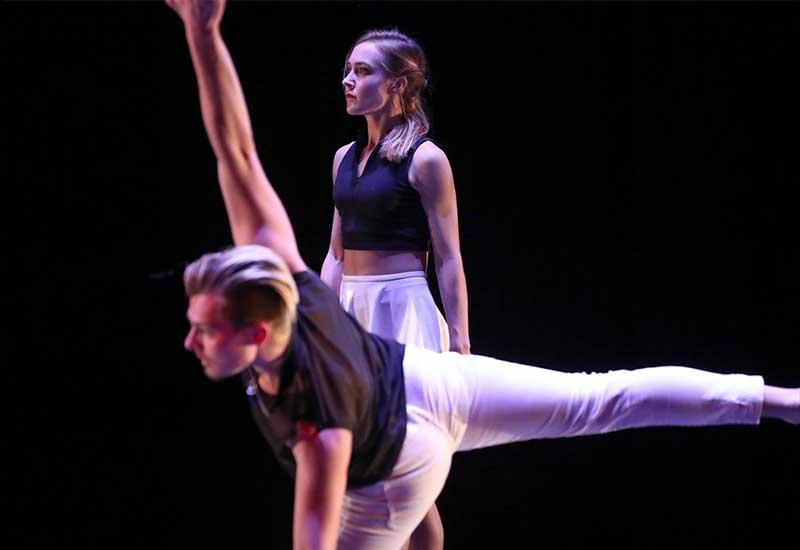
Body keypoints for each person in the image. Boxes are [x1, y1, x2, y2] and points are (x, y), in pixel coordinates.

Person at [167, 1, 800, 549]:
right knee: (600, 398)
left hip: (399, 453)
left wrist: (202, 34)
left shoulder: (313, 416)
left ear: (255, 336)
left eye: (205, 330)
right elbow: (237, 152)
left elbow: (316, 520)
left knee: (598, 399)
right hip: (424, 384)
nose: (190, 341)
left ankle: (777, 401)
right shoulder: (295, 283)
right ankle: (780, 403)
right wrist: (203, 33)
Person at [319, 25, 468, 550]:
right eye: (347, 70)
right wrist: (319, 319)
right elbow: (336, 252)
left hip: (401, 308)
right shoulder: (344, 158)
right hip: (353, 310)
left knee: (408, 475)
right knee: (364, 470)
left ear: (399, 84)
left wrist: (460, 342)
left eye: (363, 71)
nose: (348, 81)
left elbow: (449, 259)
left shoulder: (426, 159)